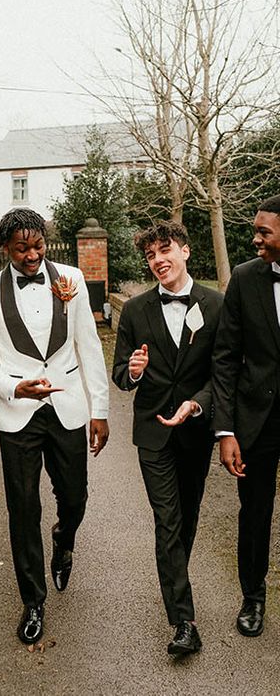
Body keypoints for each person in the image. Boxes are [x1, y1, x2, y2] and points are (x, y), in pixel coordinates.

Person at [0, 207, 109, 645]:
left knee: (74, 496)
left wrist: (99, 410)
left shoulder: (70, 279)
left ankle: (64, 536)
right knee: (23, 508)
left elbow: (88, 345)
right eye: (21, 248)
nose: (32, 256)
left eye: (38, 246)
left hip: (68, 407)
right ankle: (33, 600)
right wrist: (13, 387)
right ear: (5, 248)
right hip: (17, 414)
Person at [112, 220, 222, 656]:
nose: (158, 260)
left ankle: (176, 577)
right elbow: (121, 373)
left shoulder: (216, 305)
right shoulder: (136, 310)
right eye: (150, 255)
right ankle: (184, 621)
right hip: (153, 432)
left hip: (195, 431)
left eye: (164, 250)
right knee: (167, 521)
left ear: (185, 251)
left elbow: (222, 373)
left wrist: (196, 404)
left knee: (187, 519)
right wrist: (134, 371)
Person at [212, 194, 280, 638]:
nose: (254, 238)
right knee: (254, 514)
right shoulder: (243, 278)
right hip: (258, 419)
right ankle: (252, 599)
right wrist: (226, 429)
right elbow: (224, 358)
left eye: (264, 231)